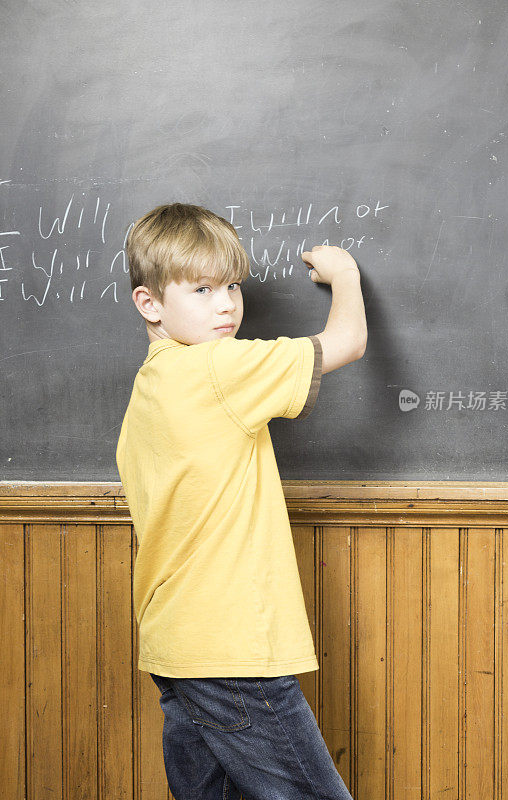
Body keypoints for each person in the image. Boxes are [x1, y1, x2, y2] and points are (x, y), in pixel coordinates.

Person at [115, 203, 367, 799]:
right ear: (149, 304)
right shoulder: (217, 368)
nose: (226, 303)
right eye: (201, 289)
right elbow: (347, 341)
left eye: (232, 285)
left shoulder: (152, 383)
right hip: (231, 645)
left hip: (177, 641)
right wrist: (346, 274)